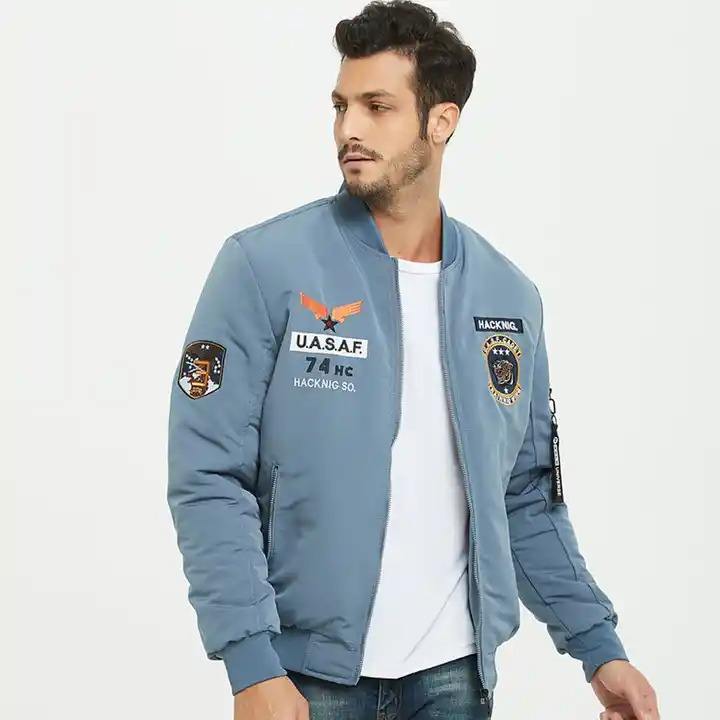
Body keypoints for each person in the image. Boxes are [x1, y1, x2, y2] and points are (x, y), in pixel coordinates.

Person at [167, 2, 660, 718]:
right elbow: (209, 474)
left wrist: (598, 646)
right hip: (306, 678)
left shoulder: (508, 297)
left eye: (377, 107)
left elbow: (526, 496)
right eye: (341, 106)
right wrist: (250, 661)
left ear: (441, 121)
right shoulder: (263, 267)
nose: (350, 128)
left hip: (456, 680)